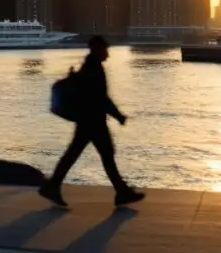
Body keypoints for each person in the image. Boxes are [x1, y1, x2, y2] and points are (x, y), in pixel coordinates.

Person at [39, 35, 145, 207]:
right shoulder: (93, 68)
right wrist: (118, 115)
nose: (108, 54)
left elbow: (99, 97)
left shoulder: (90, 66)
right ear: (97, 49)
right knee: (103, 156)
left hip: (88, 120)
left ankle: (53, 186)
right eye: (105, 49)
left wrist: (115, 114)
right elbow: (100, 98)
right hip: (92, 121)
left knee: (82, 154)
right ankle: (121, 192)